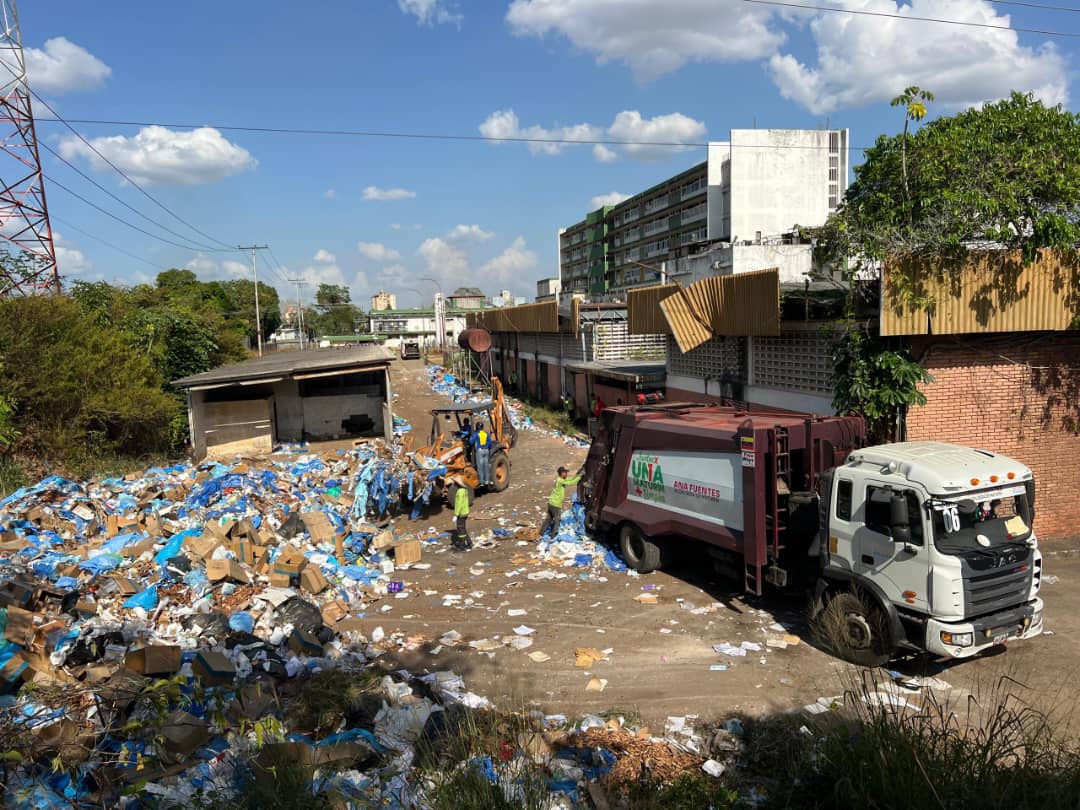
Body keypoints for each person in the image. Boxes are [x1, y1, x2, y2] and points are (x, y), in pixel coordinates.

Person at [542, 465, 582, 538]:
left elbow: (570, 479)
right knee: (557, 520)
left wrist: (577, 474)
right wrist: (580, 477)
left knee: (548, 519)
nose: (566, 474)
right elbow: (570, 483)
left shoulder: (560, 479)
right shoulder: (560, 481)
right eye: (565, 472)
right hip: (556, 504)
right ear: (561, 473)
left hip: (551, 503)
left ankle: (541, 532)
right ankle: (553, 536)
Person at [471, 420, 492, 486]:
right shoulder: (486, 433)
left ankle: (482, 481)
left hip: (479, 451)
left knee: (480, 466)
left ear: (477, 427)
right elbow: (490, 443)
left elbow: (471, 442)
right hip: (486, 450)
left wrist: (471, 437)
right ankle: (487, 480)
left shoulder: (476, 434)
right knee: (486, 465)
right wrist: (487, 447)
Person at [453, 485, 472, 551]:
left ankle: (463, 545)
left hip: (461, 513)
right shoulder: (464, 490)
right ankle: (469, 543)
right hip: (465, 511)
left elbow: (459, 503)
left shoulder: (460, 491)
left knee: (460, 529)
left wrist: (456, 514)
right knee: (463, 528)